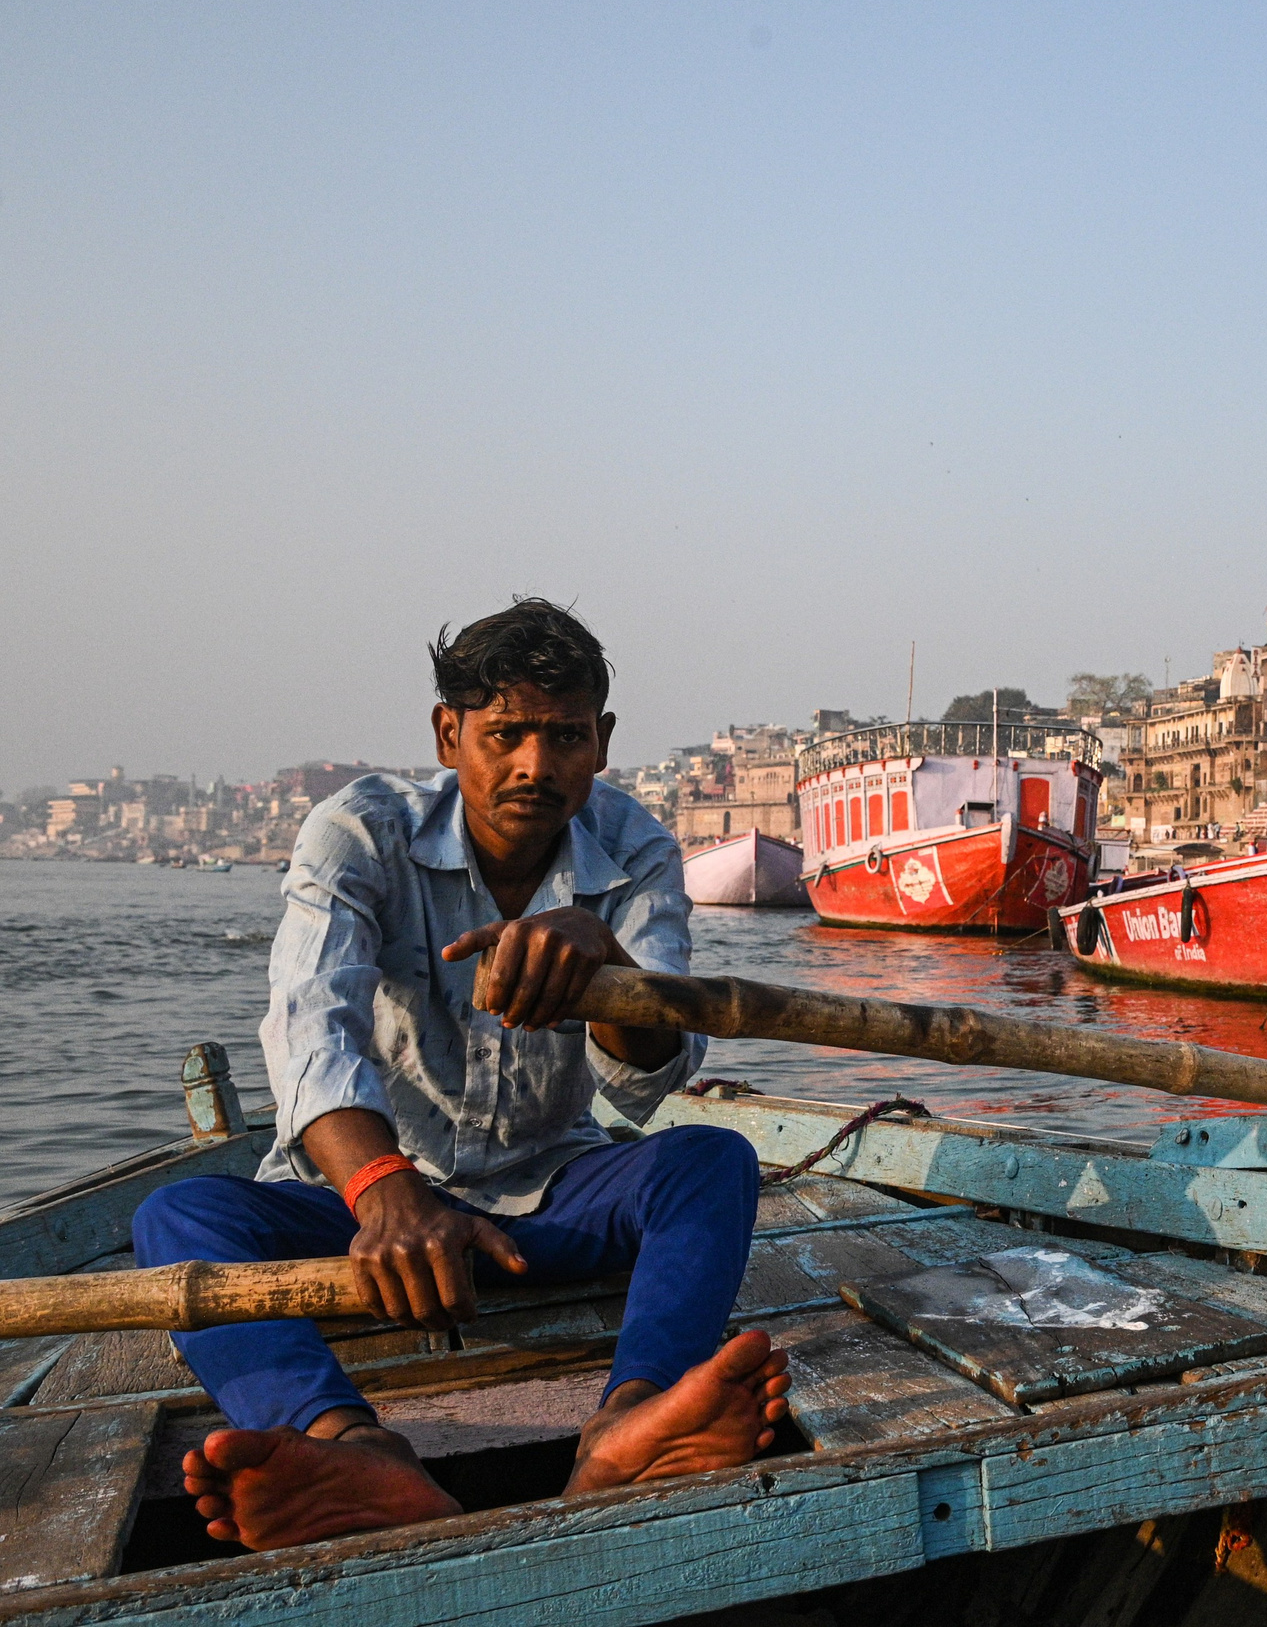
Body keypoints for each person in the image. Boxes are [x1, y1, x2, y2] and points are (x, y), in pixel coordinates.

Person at [132, 601, 787, 1553]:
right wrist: (385, 1190)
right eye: (505, 733)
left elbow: (652, 1078)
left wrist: (609, 971)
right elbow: (311, 1025)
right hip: (366, 1224)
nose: (535, 764)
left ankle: (631, 1420)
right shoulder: (358, 831)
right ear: (450, 734)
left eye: (565, 735)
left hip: (539, 1202)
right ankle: (353, 1447)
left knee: (710, 1164)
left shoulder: (637, 848)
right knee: (179, 1219)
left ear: (600, 742)